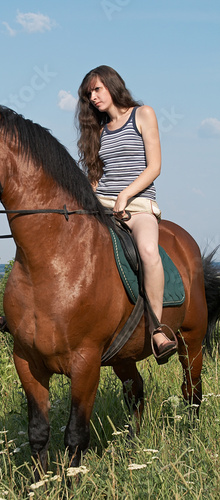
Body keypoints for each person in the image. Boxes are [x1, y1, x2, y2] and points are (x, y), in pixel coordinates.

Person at [76, 65, 177, 364]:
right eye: (88, 94)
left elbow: (155, 166)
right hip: (102, 203)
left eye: (97, 89)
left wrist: (126, 194)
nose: (93, 98)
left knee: (148, 251)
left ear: (111, 85)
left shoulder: (142, 114)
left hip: (138, 204)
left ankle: (157, 329)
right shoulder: (98, 130)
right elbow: (96, 177)